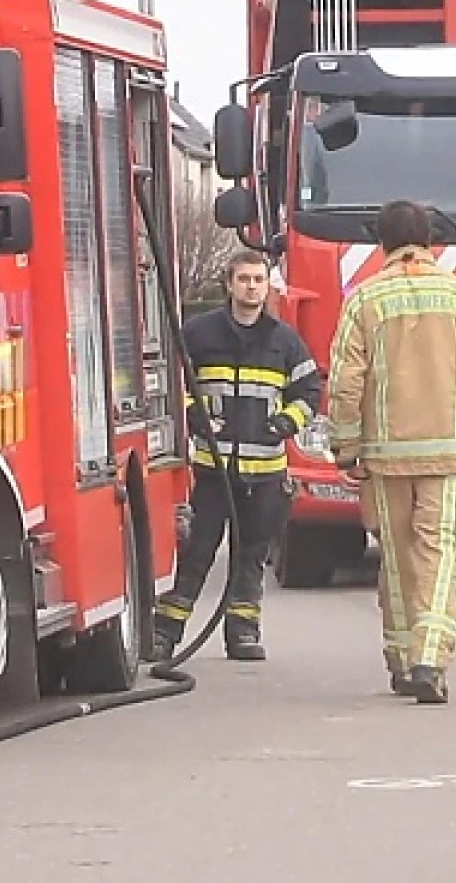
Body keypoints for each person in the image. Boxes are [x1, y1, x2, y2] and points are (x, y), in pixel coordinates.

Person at [325, 201, 456, 704]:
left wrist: (346, 445)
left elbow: (344, 381)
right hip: (451, 455)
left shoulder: (364, 301)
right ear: (430, 240)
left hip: (384, 454)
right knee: (442, 554)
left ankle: (402, 660)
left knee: (397, 560)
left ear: (381, 242)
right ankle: (430, 657)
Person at [150, 250, 321, 663]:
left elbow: (310, 392)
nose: (251, 287)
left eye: (258, 280)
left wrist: (286, 422)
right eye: (243, 279)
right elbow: (174, 382)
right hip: (214, 471)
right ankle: (164, 635)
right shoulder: (199, 334)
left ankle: (243, 632)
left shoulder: (284, 342)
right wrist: (193, 413)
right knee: (196, 553)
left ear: (267, 286)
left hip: (265, 473)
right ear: (229, 284)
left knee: (251, 557)